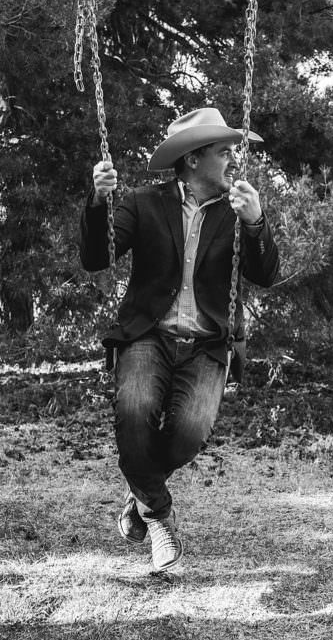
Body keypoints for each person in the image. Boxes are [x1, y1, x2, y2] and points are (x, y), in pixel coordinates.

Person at [80, 108, 280, 572]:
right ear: (193, 159)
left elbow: (266, 274)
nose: (234, 160)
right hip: (148, 334)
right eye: (224, 151)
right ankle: (159, 518)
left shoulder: (238, 209)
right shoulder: (143, 203)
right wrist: (97, 201)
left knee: (188, 434)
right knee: (134, 414)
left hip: (210, 341)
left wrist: (256, 222)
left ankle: (139, 491)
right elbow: (96, 257)